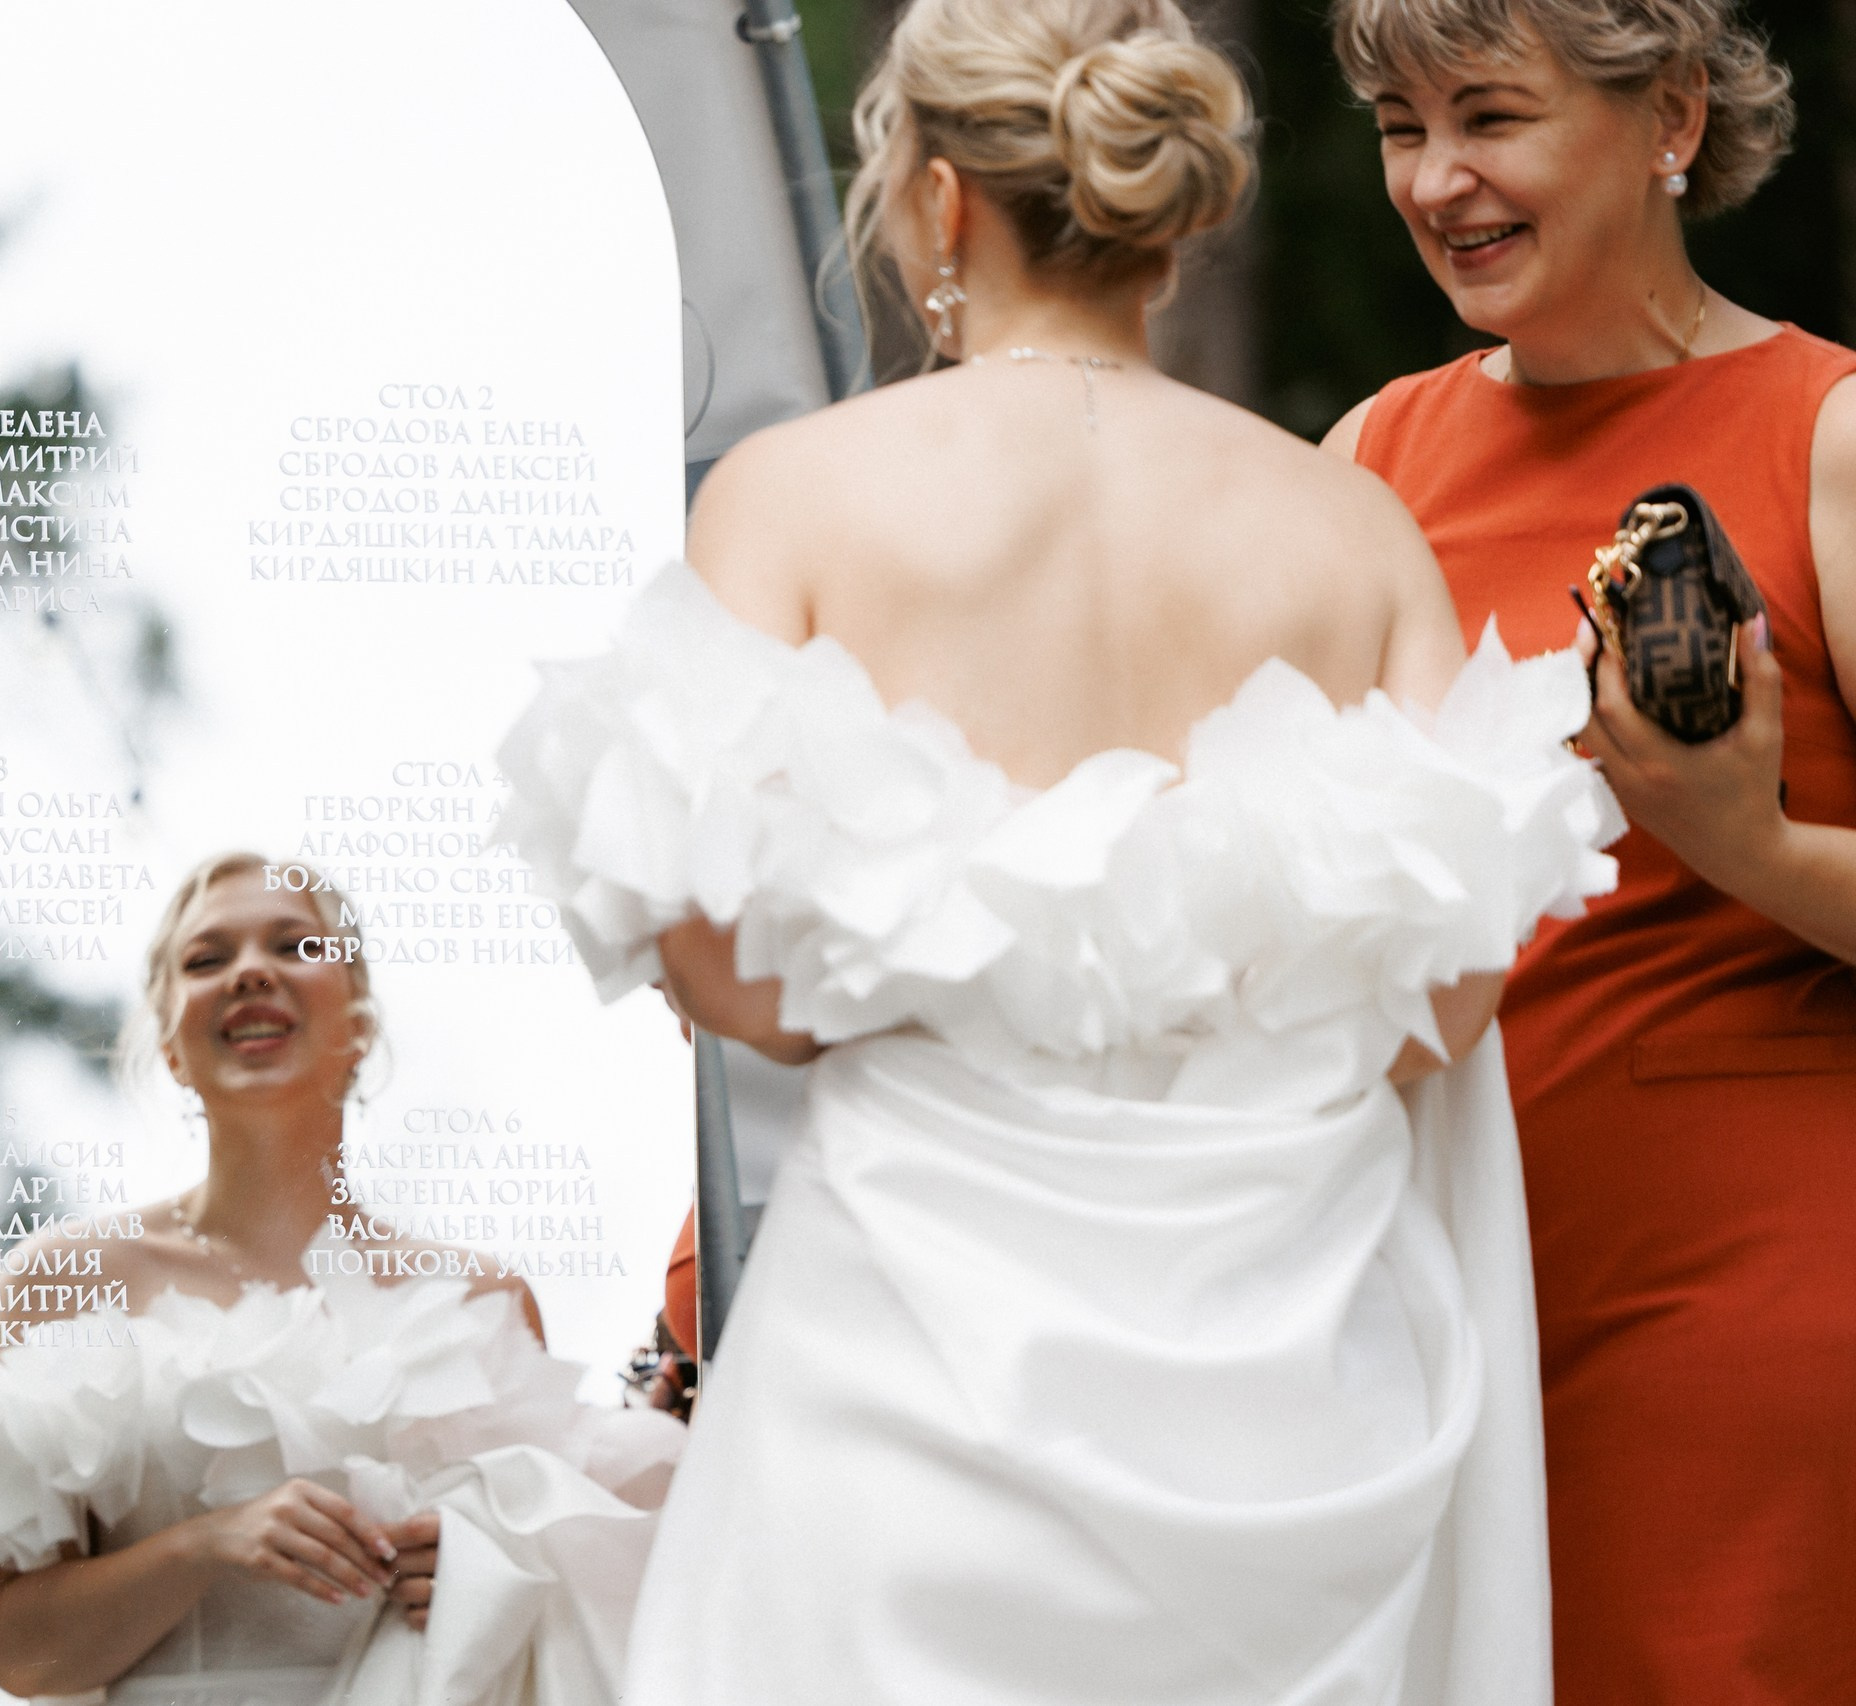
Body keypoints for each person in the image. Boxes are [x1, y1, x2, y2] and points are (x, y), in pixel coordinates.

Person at [494, 0, 1627, 1697]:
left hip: (901, 1379)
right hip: (1281, 1413)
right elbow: (1435, 1018)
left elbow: (740, 989)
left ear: (941, 201)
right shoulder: (1352, 531)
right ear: (1172, 210)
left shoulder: (792, 500)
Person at [1321, 0, 1856, 1694]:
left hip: (1744, 1321)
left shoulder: (1827, 437)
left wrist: (1745, 844)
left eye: (1491, 116)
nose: (1437, 180)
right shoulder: (1371, 459)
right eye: (1403, 128)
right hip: (1434, 1321)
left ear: (1673, 114)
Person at [0, 853, 682, 1706]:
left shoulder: (483, 1302)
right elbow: (20, 1657)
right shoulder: (68, 1281)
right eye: (207, 960)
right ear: (169, 1044)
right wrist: (206, 1543)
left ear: (361, 1024)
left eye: (296, 947)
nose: (251, 972)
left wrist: (481, 1568)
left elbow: (556, 1614)